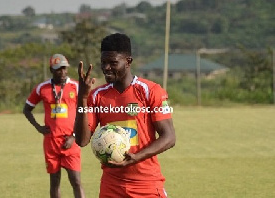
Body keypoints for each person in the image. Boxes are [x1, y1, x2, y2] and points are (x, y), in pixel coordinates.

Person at [74, 33, 176, 197]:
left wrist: (136, 157)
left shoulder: (150, 91)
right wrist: (82, 98)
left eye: (113, 62)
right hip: (111, 186)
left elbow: (169, 137)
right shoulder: (96, 96)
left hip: (146, 184)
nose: (107, 68)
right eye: (103, 62)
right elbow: (82, 140)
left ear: (128, 61)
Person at [23, 54, 85, 198]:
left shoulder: (75, 86)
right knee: (54, 182)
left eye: (64, 69)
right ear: (51, 70)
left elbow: (85, 112)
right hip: (51, 142)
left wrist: (74, 136)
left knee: (76, 181)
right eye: (58, 69)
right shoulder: (42, 88)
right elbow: (27, 109)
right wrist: (38, 127)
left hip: (70, 141)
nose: (62, 72)